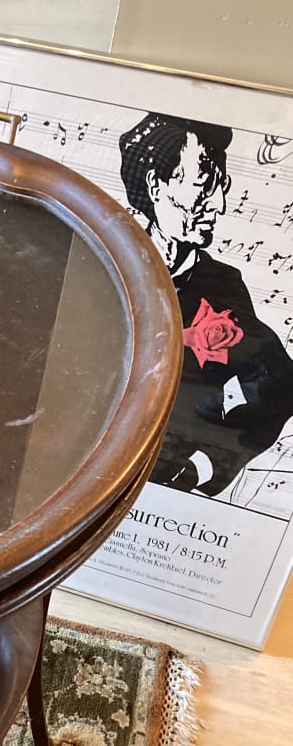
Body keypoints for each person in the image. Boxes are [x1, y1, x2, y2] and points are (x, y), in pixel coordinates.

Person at [118, 113, 293, 495]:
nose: (220, 204)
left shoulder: (220, 285)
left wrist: (206, 461)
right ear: (156, 186)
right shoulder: (99, 262)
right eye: (205, 184)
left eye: (223, 186)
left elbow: (281, 380)